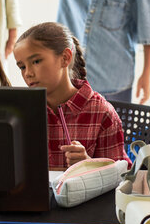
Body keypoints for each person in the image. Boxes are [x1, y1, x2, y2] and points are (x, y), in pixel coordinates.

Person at [13, 22, 131, 168]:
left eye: (36, 61)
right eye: (22, 67)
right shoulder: (20, 112)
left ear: (65, 58)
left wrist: (88, 164)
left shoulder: (102, 113)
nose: (28, 73)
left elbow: (121, 176)